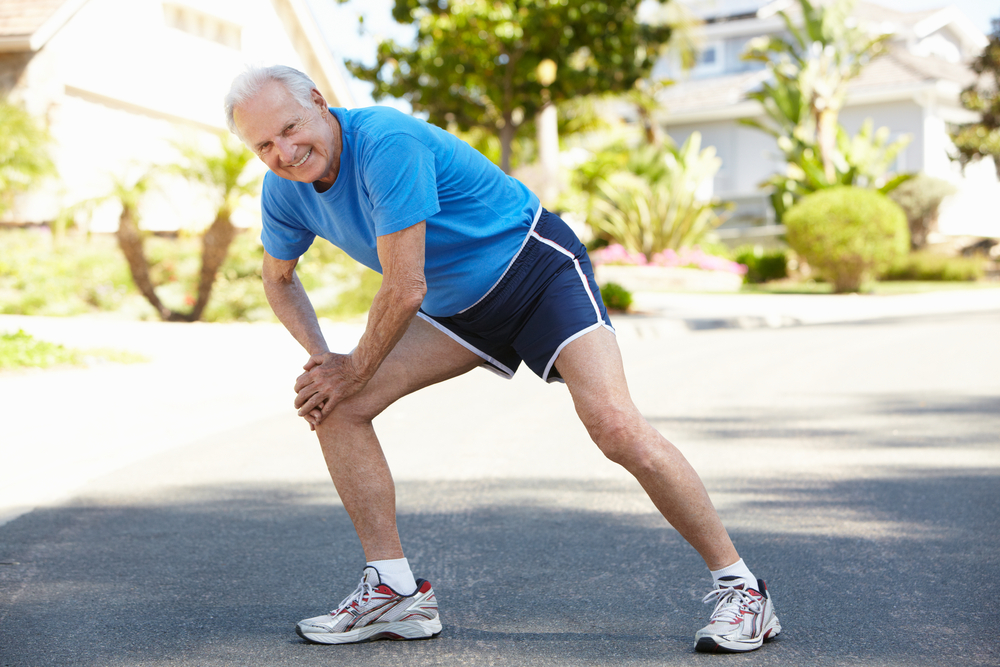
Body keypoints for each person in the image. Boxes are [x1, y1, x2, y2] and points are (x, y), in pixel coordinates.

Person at [224, 64, 780, 654]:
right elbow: (278, 279)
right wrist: (325, 363)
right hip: (457, 309)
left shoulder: (386, 142)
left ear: (318, 101)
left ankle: (744, 591)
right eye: (264, 145)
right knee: (336, 407)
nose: (284, 152)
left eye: (290, 128)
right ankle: (393, 592)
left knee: (616, 427)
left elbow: (404, 287)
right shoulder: (283, 191)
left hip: (535, 272)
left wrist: (354, 367)